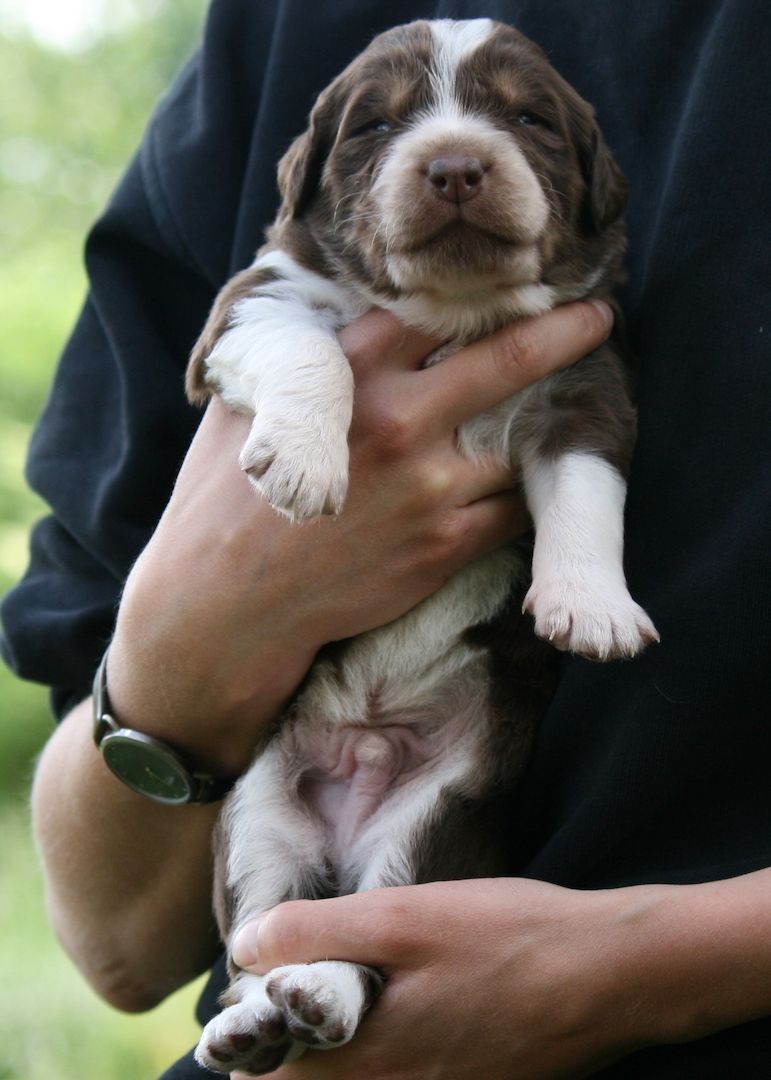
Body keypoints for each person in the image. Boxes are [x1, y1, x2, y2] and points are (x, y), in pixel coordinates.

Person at [2, 1, 770, 1077]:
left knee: (436, 809)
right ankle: (282, 982)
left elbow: (580, 430)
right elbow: (116, 944)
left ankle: (332, 976)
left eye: (526, 128)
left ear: (597, 182)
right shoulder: (271, 51)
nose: (454, 161)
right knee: (272, 836)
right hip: (297, 761)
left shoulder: (583, 338)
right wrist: (197, 634)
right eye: (376, 130)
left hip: (465, 755)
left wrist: (635, 975)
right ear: (311, 185)